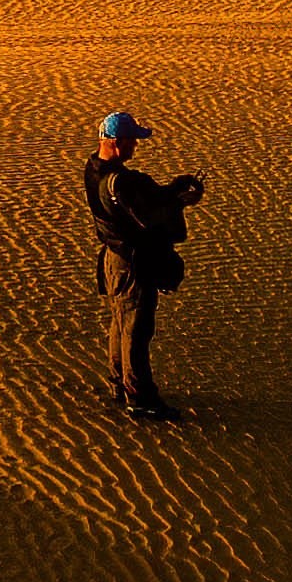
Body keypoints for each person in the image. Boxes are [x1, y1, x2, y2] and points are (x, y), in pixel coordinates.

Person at [81, 111, 203, 420]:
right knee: (135, 329)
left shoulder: (94, 168)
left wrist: (172, 189)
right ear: (116, 142)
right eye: (132, 141)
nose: (136, 146)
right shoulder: (120, 181)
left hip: (113, 261)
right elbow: (148, 218)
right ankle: (140, 399)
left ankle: (121, 385)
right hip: (132, 264)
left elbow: (139, 201)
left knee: (120, 324)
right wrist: (180, 202)